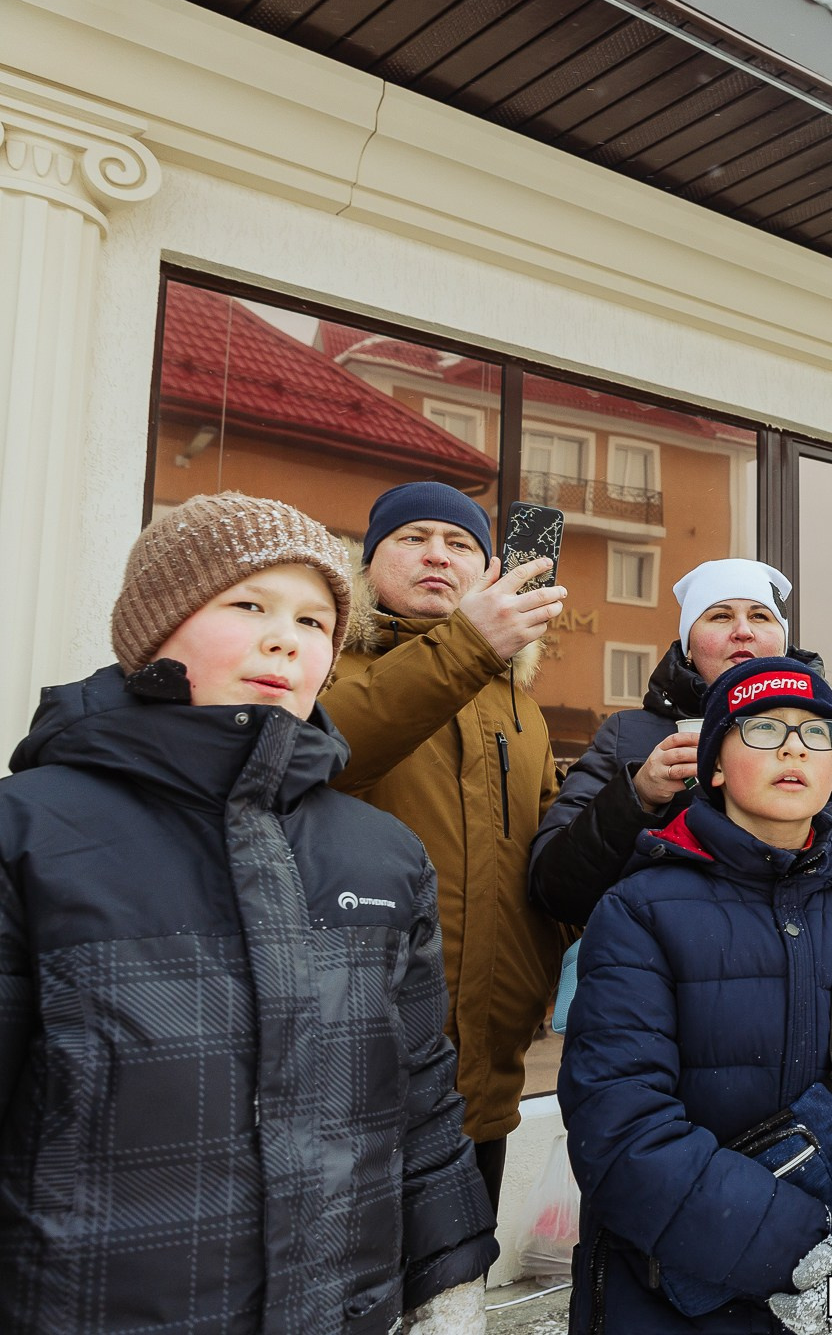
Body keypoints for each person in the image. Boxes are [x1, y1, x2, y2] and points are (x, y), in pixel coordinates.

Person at [0, 493, 496, 1334]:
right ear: (155, 630)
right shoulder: (31, 835)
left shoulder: (382, 854)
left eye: (313, 621)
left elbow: (417, 1094)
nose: (284, 640)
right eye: (248, 605)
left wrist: (446, 1280)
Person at [559, 656, 832, 1335]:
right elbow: (621, 1130)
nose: (795, 747)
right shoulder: (637, 913)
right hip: (672, 1303)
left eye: (816, 733)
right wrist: (805, 1253)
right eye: (765, 729)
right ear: (713, 766)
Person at [320, 481, 569, 1214]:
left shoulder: (521, 708)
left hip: (487, 1076)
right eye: (412, 538)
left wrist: (636, 801)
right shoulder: (327, 670)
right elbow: (330, 751)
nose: (437, 555)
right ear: (369, 564)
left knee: (456, 1299)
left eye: (460, 543)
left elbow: (549, 866)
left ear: (486, 570)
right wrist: (469, 643)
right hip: (350, 1070)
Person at [530, 558, 832, 925]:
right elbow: (554, 889)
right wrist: (638, 794)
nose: (742, 631)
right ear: (688, 644)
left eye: (760, 616)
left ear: (783, 641)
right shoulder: (629, 735)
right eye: (720, 616)